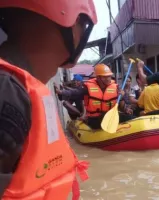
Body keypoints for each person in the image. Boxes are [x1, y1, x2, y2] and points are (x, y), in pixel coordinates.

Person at [0, 0, 97, 199]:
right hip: (93, 121)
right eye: (82, 25)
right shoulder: (8, 94)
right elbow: (75, 94)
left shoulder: (20, 90)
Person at [55, 64, 134, 130]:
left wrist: (126, 108)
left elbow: (122, 104)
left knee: (129, 117)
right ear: (98, 78)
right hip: (94, 119)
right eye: (105, 77)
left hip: (110, 117)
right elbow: (75, 93)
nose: (108, 79)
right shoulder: (88, 88)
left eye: (109, 76)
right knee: (104, 116)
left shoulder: (116, 88)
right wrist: (61, 92)